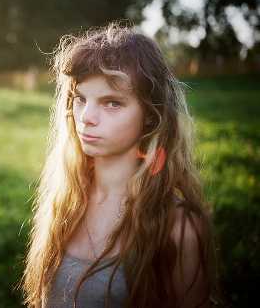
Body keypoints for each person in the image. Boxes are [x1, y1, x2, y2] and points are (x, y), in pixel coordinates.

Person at [19, 22, 223, 308]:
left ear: (150, 116)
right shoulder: (65, 201)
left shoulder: (178, 227)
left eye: (112, 103)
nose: (86, 117)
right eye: (80, 99)